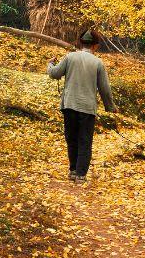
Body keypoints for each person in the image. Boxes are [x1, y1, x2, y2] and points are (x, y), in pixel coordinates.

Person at [47, 29, 117, 184]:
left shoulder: (69, 57)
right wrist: (110, 107)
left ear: (80, 42)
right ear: (95, 46)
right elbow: (105, 89)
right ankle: (80, 175)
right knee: (85, 140)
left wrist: (50, 64)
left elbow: (54, 74)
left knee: (71, 139)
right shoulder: (98, 63)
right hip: (87, 108)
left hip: (69, 106)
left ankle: (72, 170)